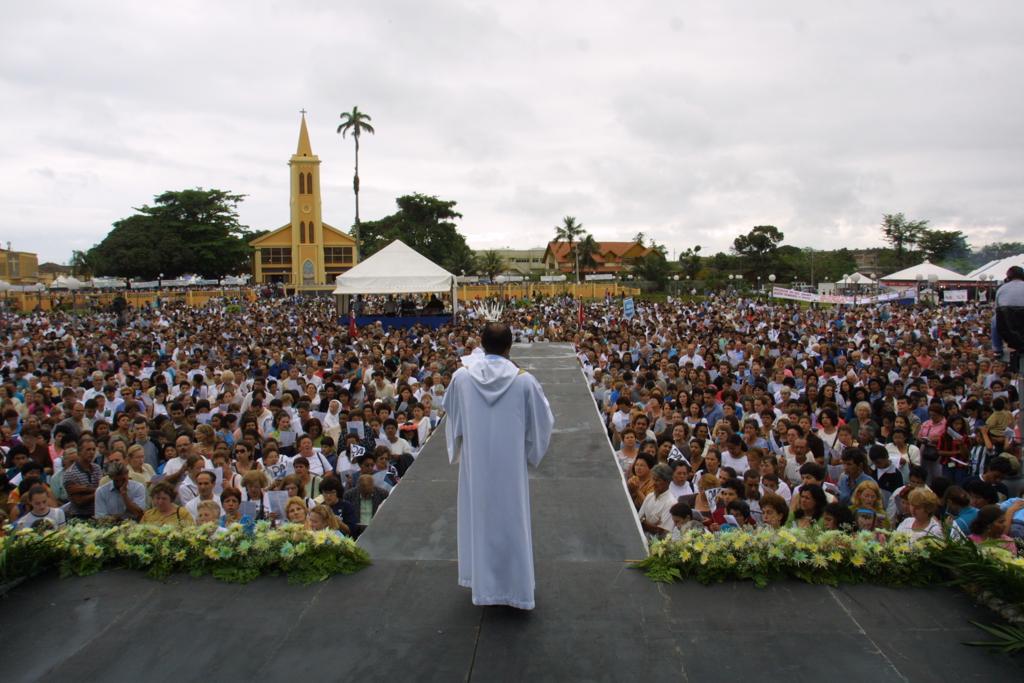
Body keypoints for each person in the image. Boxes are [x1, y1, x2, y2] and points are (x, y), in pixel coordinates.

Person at [443, 322, 554, 610]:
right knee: (510, 520)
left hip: (476, 464)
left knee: (479, 519)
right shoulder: (524, 381)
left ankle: (481, 584)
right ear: (509, 346)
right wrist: (530, 453)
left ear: (481, 344)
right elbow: (543, 422)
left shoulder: (462, 378)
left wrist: (458, 443)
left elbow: (451, 413)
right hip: (510, 467)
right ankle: (515, 590)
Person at [638, 463, 675, 538]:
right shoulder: (649, 496)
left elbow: (662, 532)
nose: (654, 483)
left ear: (667, 482)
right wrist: (651, 525)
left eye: (657, 480)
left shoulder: (671, 503)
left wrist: (644, 521)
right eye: (653, 479)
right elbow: (638, 519)